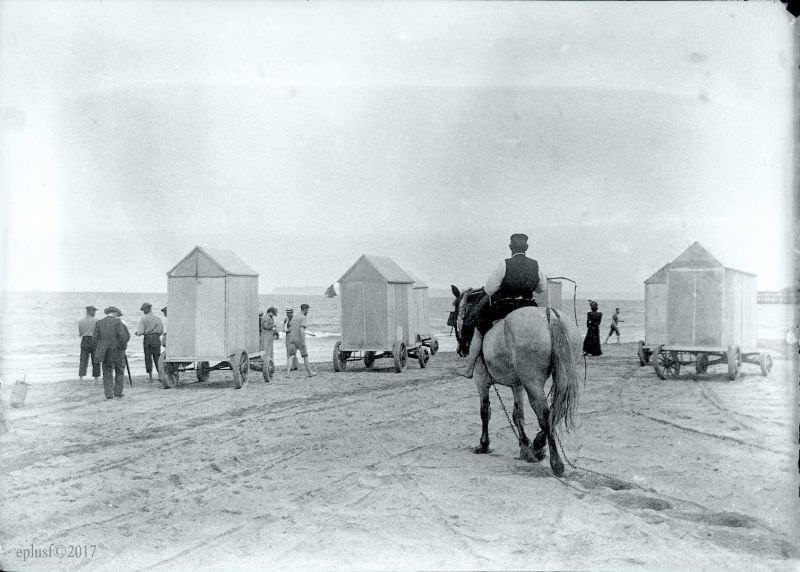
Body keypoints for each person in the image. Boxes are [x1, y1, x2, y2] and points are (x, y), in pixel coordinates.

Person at [458, 233, 547, 378]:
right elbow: (541, 288)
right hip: (529, 306)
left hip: (507, 307)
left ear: (510, 247)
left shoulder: (505, 264)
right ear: (527, 247)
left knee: (479, 329)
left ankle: (469, 369)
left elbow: (489, 289)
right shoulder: (536, 265)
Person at [93, 306, 131, 399]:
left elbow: (95, 338)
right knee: (120, 371)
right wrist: (123, 346)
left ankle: (109, 394)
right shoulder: (118, 322)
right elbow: (123, 336)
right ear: (115, 313)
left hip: (105, 352)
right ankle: (118, 393)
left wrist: (100, 348)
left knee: (107, 372)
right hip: (117, 350)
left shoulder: (99, 323)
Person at [135, 303, 164, 381]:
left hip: (147, 339)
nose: (143, 311)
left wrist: (137, 333)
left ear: (147, 309)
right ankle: (161, 376)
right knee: (157, 357)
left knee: (148, 358)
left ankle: (150, 377)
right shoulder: (158, 318)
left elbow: (141, 331)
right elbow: (161, 330)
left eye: (144, 310)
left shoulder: (144, 318)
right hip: (156, 339)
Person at [291, 303, 317, 377]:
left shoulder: (295, 317)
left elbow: (291, 328)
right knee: (305, 356)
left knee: (291, 355)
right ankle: (310, 372)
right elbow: (302, 330)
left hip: (293, 339)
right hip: (299, 339)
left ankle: (288, 372)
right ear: (305, 309)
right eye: (308, 310)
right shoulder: (303, 317)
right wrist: (303, 341)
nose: (308, 311)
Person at [78, 305, 100, 382]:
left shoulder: (80, 321)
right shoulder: (96, 321)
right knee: (95, 360)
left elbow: (80, 333)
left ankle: (81, 378)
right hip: (93, 340)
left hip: (84, 340)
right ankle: (96, 378)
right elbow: (98, 332)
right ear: (91, 312)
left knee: (83, 360)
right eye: (94, 311)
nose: (95, 313)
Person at [283, 307, 298, 372]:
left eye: (289, 312)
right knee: (290, 351)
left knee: (291, 351)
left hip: (292, 336)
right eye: (287, 313)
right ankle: (294, 365)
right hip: (288, 335)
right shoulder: (286, 319)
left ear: (292, 313)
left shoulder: (294, 319)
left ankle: (292, 366)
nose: (288, 314)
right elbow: (284, 328)